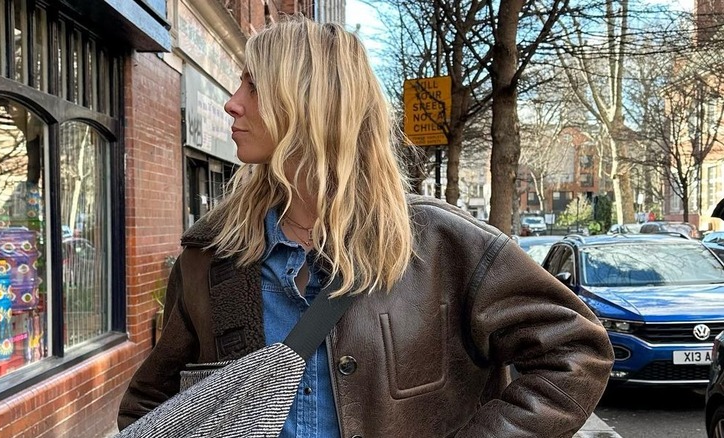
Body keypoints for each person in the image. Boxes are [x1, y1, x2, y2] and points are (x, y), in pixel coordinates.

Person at [118, 16, 614, 437]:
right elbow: (150, 406)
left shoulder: (441, 244)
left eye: (253, 85)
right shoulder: (213, 256)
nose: (232, 102)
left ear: (311, 102)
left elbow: (576, 350)